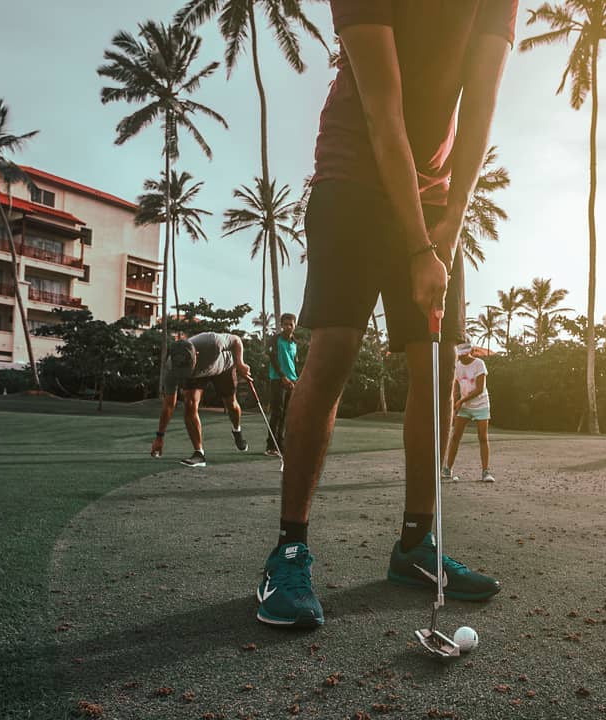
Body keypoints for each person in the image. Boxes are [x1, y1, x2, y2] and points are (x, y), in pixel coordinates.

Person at [255, 0, 517, 629]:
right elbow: (383, 113)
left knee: (436, 362)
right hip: (351, 176)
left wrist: (446, 232)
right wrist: (420, 246)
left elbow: (479, 111)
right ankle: (289, 550)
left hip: (433, 195)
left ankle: (415, 545)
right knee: (337, 346)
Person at [150, 332, 252, 468]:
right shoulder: (172, 369)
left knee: (231, 404)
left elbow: (236, 340)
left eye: (188, 369)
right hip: (198, 377)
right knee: (189, 403)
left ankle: (236, 430)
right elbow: (169, 405)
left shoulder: (211, 342)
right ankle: (199, 454)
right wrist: (159, 437)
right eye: (182, 372)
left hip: (223, 367)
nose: (185, 373)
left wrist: (240, 363)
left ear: (196, 355)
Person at [442, 343, 495, 482]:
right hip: (464, 406)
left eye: (464, 354)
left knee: (483, 437)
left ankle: (485, 472)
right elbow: (455, 387)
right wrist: (454, 402)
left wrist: (461, 401)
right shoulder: (457, 366)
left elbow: (480, 389)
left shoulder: (479, 364)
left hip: (481, 404)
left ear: (469, 351)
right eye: (460, 355)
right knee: (455, 437)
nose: (462, 357)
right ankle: (448, 469)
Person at [265, 313, 299, 456]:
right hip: (278, 380)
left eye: (290, 324)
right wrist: (283, 376)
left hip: (292, 381)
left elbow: (294, 363)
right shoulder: (275, 340)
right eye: (285, 324)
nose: (288, 327)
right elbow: (273, 359)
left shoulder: (295, 342)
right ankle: (271, 446)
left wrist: (295, 380)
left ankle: (280, 445)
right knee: (277, 413)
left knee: (286, 414)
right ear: (281, 325)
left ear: (294, 326)